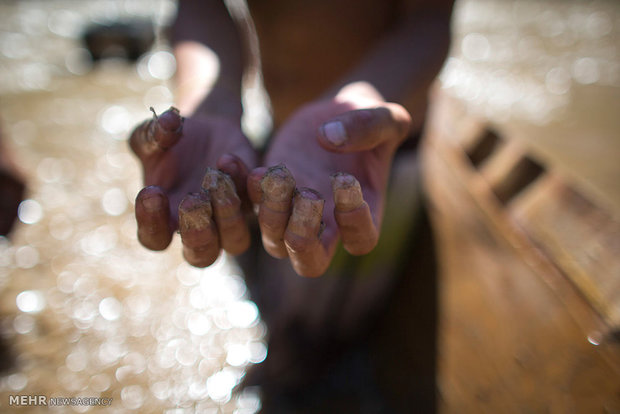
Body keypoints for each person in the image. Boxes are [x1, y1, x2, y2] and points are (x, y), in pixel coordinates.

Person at [129, 0, 453, 411]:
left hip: (368, 150)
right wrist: (209, 97)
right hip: (279, 137)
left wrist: (360, 97)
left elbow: (428, 22)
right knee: (265, 267)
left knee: (330, 330)